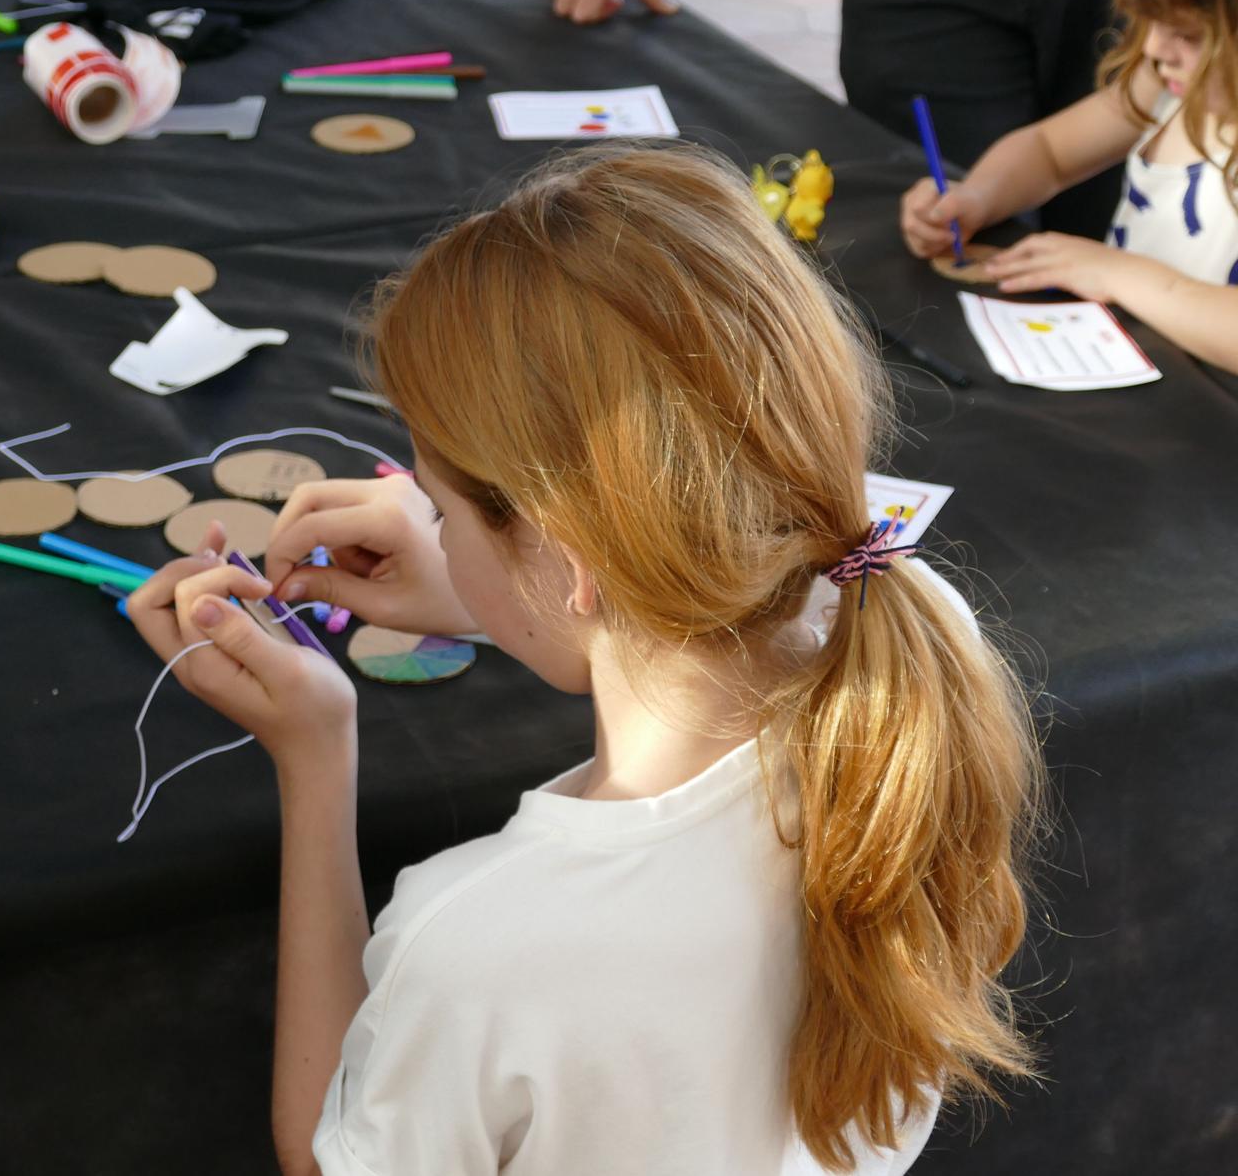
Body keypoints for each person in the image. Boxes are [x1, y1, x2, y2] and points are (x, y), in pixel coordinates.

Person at [129, 145, 1046, 1173]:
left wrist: (314, 754)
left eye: (441, 508)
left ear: (567, 559)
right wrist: (484, 588)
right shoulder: (912, 623)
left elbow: (319, 1156)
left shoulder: (481, 942)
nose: (431, 529)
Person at [555, 0, 1141, 238]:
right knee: (939, 236)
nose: (1165, 58)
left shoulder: (1165, 54)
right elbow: (1046, 156)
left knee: (1100, 225)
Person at [902, 0, 1238, 374]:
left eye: (1188, 33)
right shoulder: (1168, 85)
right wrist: (978, 197)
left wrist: (1120, 273)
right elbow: (1050, 151)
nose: (1153, 48)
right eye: (1145, 20)